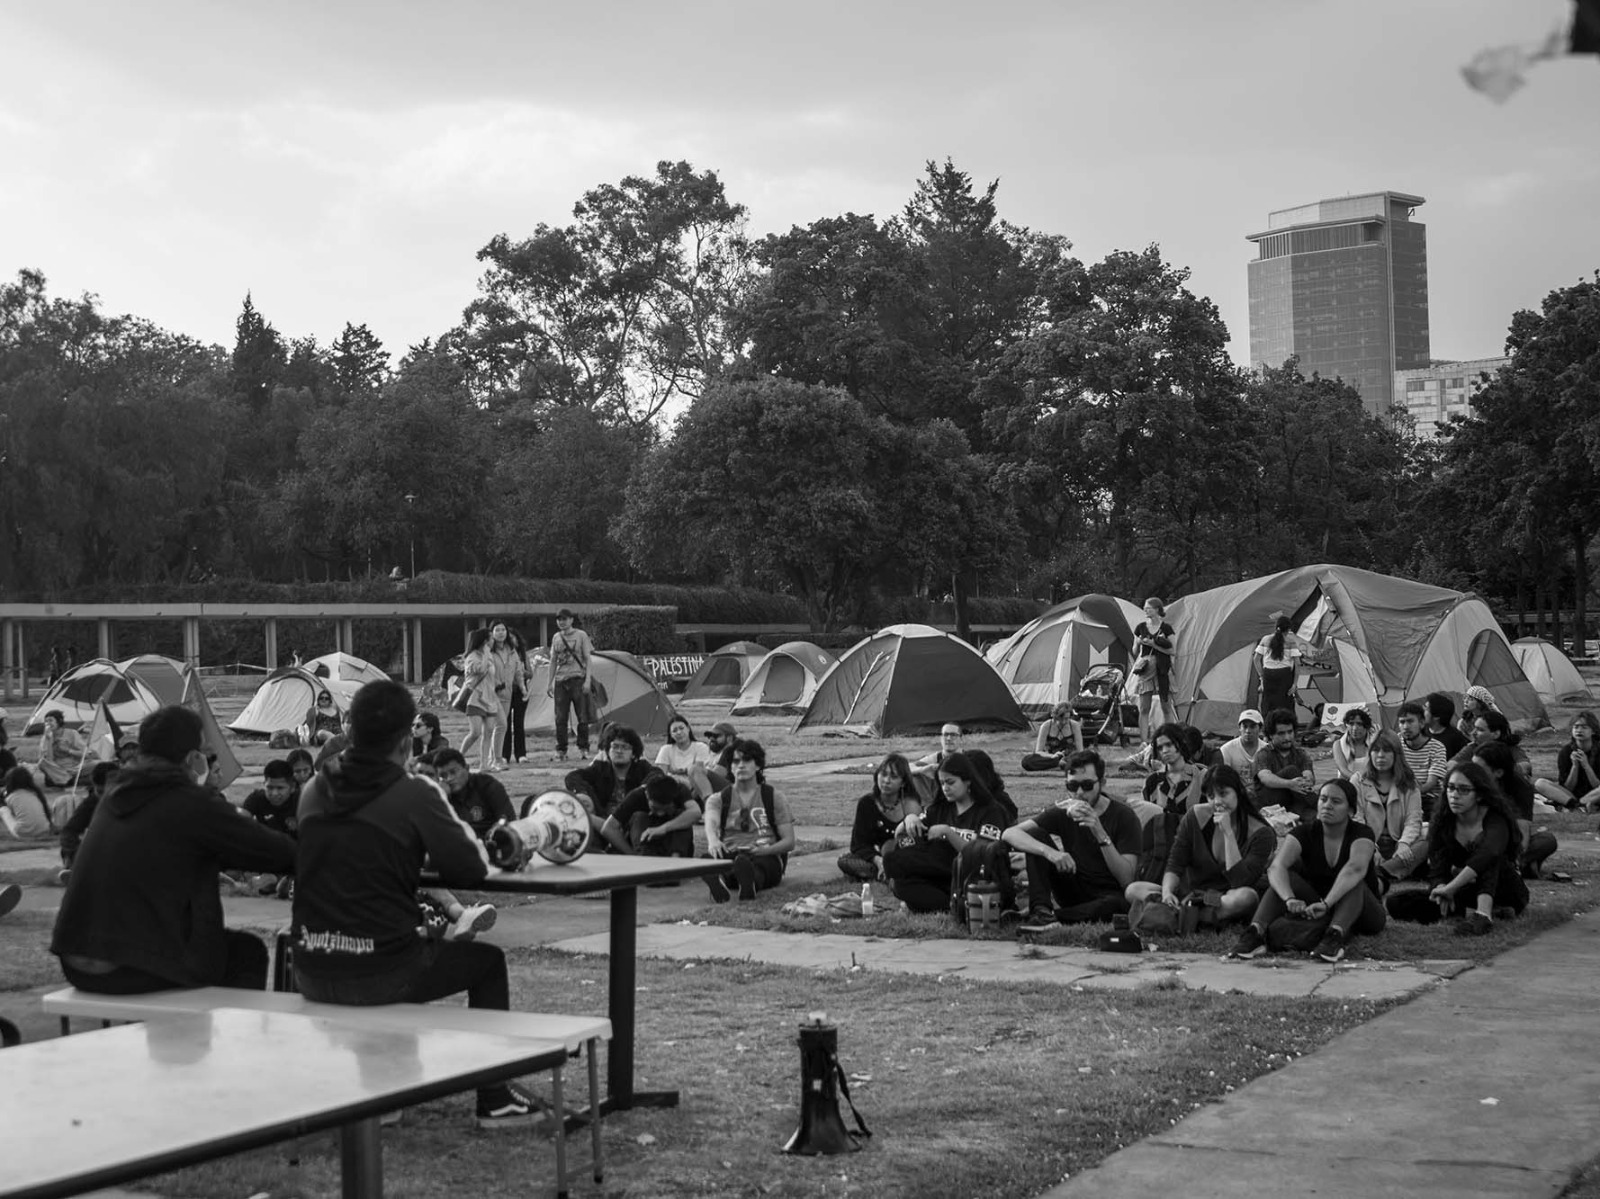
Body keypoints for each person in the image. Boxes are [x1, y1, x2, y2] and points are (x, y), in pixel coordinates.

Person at [290, 679, 539, 1128]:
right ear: (408, 740)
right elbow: (471, 866)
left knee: (410, 935)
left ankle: (384, 1088)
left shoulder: (314, 790)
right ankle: (495, 1098)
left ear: (349, 730)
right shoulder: (413, 793)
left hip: (309, 967)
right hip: (378, 973)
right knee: (484, 962)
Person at [50, 706, 296, 993]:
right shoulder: (188, 800)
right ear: (193, 757)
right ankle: (212, 1038)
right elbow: (277, 853)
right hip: (129, 964)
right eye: (205, 752)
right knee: (246, 952)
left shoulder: (116, 794)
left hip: (75, 960)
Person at [1228, 778, 1386, 964]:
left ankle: (1334, 937)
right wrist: (1290, 898)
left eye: (1336, 802)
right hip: (1318, 905)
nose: (1327, 805)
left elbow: (1355, 868)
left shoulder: (1362, 833)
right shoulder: (1304, 832)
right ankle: (1255, 933)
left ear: (1350, 810)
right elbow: (1277, 867)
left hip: (1363, 910)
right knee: (1286, 878)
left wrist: (1327, 903)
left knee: (1353, 881)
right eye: (1323, 799)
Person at [1003, 749, 1140, 932]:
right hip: (1073, 886)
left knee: (1115, 906)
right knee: (1036, 836)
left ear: (1103, 783)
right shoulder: (1064, 811)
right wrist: (1050, 852)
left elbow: (1127, 879)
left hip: (1109, 893)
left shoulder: (1124, 816)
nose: (1080, 793)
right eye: (1073, 786)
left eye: (1087, 785)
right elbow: (1009, 834)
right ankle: (1041, 909)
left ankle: (1049, 918)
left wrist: (1099, 832)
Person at [1385, 762, 1527, 935]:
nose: (1454, 795)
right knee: (1397, 902)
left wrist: (1452, 887)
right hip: (1465, 889)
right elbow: (1437, 867)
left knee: (1488, 856)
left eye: (1464, 790)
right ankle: (1475, 911)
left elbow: (1490, 852)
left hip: (1505, 888)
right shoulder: (1443, 821)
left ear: (1480, 795)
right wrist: (1442, 887)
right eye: (1451, 788)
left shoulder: (1495, 819)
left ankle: (1484, 914)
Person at [1125, 764, 1275, 927]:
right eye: (1211, 796)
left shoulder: (1261, 833)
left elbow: (1240, 881)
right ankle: (1193, 915)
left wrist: (1228, 834)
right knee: (1133, 890)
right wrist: (1167, 893)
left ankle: (1178, 915)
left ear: (1238, 792)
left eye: (1224, 794)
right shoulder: (1196, 815)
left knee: (1247, 897)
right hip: (1189, 892)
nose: (1217, 802)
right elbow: (1175, 862)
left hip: (1223, 897)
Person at [884, 750, 1011, 915]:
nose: (945, 788)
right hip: (939, 875)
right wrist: (909, 819)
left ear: (968, 782)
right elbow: (901, 837)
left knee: (901, 862)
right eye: (942, 783)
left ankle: (954, 903)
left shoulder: (991, 811)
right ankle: (951, 904)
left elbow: (984, 856)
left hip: (973, 873)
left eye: (950, 782)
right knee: (896, 866)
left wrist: (948, 833)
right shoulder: (941, 808)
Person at [702, 738, 795, 902]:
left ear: (758, 765)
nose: (741, 765)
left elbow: (789, 842)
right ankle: (721, 881)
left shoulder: (773, 797)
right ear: (730, 767)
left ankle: (748, 884)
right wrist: (713, 841)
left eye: (747, 760)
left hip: (765, 854)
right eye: (736, 761)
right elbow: (711, 821)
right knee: (723, 860)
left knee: (756, 866)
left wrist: (764, 851)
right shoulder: (719, 799)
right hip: (732, 852)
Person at [1350, 730, 1424, 885]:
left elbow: (1413, 819)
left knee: (1429, 835)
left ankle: (1382, 872)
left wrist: (1404, 843)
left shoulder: (1409, 782)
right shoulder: (1358, 780)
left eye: (1387, 751)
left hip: (1398, 843)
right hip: (1368, 843)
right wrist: (1371, 847)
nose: (1380, 756)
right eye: (1376, 750)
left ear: (1396, 754)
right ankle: (1394, 869)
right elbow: (1357, 819)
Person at [1475, 741, 1557, 880]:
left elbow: (1522, 831)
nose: (1473, 772)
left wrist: (1516, 855)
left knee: (1547, 840)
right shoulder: (1466, 781)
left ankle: (1511, 864)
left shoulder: (1520, 787)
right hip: (1475, 835)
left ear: (1498, 772)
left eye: (1479, 768)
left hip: (1506, 839)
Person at [563, 724, 659, 838]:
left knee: (640, 818)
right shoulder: (600, 768)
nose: (619, 751)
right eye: (615, 746)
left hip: (631, 821)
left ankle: (634, 854)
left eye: (625, 747)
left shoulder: (641, 767)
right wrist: (584, 793)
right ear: (608, 751)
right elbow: (572, 777)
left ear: (633, 753)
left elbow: (657, 774)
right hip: (602, 820)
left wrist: (642, 790)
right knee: (581, 815)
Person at [837, 753, 921, 882]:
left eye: (893, 777)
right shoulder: (866, 803)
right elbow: (858, 845)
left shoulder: (911, 804)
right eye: (883, 774)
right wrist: (878, 860)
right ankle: (885, 871)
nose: (886, 780)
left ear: (903, 782)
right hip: (875, 858)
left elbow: (919, 843)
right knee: (845, 860)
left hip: (904, 855)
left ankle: (891, 872)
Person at [599, 773, 703, 859]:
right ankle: (644, 859)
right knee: (639, 817)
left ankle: (675, 862)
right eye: (655, 808)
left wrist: (664, 828)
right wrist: (631, 854)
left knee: (683, 816)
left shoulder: (679, 789)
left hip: (672, 844)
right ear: (647, 795)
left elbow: (696, 813)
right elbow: (608, 828)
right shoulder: (636, 796)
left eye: (666, 809)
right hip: (643, 845)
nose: (660, 814)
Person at [432, 748, 515, 841]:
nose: (449, 778)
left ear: (467, 768)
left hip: (491, 844)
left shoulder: (487, 785)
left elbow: (508, 819)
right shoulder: (443, 795)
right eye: (443, 776)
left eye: (453, 772)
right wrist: (440, 799)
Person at [547, 608, 595, 764]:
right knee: (560, 718)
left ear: (571, 620)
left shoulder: (581, 635)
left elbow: (588, 659)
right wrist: (549, 682)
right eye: (559, 619)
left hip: (578, 679)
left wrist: (587, 680)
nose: (561, 622)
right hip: (561, 681)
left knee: (582, 716)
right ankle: (561, 750)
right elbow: (553, 661)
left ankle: (584, 749)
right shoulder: (556, 637)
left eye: (565, 619)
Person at [1253, 708, 1316, 821]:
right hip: (1270, 801)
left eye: (1290, 732)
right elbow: (1265, 778)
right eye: (1281, 733)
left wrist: (1306, 780)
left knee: (1314, 817)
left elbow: (1309, 775)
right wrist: (1290, 784)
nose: (1287, 737)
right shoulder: (1263, 754)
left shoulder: (1301, 753)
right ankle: (1320, 803)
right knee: (1291, 771)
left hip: (1294, 800)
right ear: (1271, 735)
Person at [58, 760, 118, 877]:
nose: (104, 797)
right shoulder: (93, 802)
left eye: (109, 791)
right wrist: (75, 852)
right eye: (100, 792)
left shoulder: (132, 799)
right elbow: (69, 831)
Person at [1534, 711, 1600, 812]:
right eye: (1576, 727)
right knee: (1540, 783)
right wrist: (1575, 766)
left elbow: (1596, 785)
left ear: (1593, 731)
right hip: (1570, 795)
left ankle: (1581, 804)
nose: (1579, 730)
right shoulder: (1566, 751)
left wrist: (1586, 766)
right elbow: (1567, 787)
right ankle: (1577, 806)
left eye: (1584, 727)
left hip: (1594, 795)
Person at [1131, 598, 1175, 745]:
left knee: (1166, 705)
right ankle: (1144, 741)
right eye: (1144, 608)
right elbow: (1135, 651)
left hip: (1162, 668)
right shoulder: (1140, 627)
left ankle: (1170, 738)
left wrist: (1154, 644)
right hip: (1145, 667)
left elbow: (1173, 651)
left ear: (1157, 609)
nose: (1145, 610)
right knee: (1144, 707)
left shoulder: (1166, 628)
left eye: (1148, 608)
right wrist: (1137, 643)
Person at [458, 627, 502, 773]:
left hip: (490, 698)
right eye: (490, 638)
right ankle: (458, 758)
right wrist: (486, 653)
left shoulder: (489, 655)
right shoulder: (472, 657)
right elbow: (481, 670)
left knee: (488, 731)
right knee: (475, 732)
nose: (493, 640)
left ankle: (484, 765)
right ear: (484, 641)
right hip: (475, 697)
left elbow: (491, 675)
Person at [485, 620, 523, 771]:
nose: (500, 632)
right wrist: (496, 683)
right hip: (492, 694)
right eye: (497, 630)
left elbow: (518, 670)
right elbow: (486, 670)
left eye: (503, 630)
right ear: (492, 633)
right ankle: (496, 760)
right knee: (501, 725)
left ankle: (491, 759)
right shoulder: (487, 649)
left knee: (499, 727)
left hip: (507, 694)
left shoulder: (511, 650)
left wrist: (523, 687)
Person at [1397, 701, 1448, 814]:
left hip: (1428, 798)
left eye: (1410, 721)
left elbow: (1430, 783)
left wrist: (1412, 796)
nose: (1406, 727)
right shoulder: (1395, 742)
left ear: (1421, 723)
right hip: (1400, 795)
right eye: (1402, 722)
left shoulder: (1436, 747)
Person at [1255, 614, 1303, 721]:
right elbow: (1298, 664)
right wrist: (1294, 684)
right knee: (1285, 704)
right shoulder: (1290, 641)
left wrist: (1262, 677)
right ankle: (1286, 727)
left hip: (1268, 675)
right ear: (1288, 629)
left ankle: (1268, 731)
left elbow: (1256, 659)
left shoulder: (1265, 639)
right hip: (1284, 675)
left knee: (1268, 704)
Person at [654, 715, 715, 797]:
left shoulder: (701, 747)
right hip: (672, 787)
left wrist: (680, 772)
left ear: (688, 729)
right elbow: (661, 774)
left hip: (695, 788)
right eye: (674, 731)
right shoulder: (666, 749)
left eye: (681, 728)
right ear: (671, 735)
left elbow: (699, 773)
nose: (679, 732)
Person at [1462, 710, 1532, 780]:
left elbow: (1525, 767)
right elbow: (1452, 765)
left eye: (1480, 730)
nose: (1473, 733)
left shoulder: (1511, 750)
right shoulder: (1472, 747)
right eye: (1474, 728)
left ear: (1496, 734)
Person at [497, 626, 531, 765]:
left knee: (519, 724)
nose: (511, 640)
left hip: (520, 691)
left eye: (513, 638)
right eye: (508, 639)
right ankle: (504, 755)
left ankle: (521, 754)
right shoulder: (501, 654)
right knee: (504, 724)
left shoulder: (522, 654)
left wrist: (522, 672)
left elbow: (530, 673)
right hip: (505, 692)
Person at [33, 709, 89, 789]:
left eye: (50, 720)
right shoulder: (46, 738)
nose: (48, 724)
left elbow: (85, 754)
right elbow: (47, 759)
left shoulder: (72, 733)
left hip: (74, 767)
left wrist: (68, 750)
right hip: (57, 768)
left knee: (97, 763)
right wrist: (48, 740)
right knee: (42, 763)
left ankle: (63, 780)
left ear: (59, 721)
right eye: (46, 721)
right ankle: (68, 780)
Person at [1021, 704, 1083, 772]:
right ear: (1055, 716)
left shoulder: (1074, 725)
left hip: (1069, 757)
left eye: (1067, 718)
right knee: (1026, 761)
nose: (1064, 721)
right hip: (1050, 757)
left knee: (1084, 758)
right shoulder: (1046, 726)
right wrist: (1052, 756)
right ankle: (1059, 764)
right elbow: (1039, 751)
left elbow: (1080, 751)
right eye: (1061, 718)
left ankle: (1062, 764)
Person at [1218, 710, 1265, 794]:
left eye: (1252, 726)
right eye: (1245, 726)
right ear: (1239, 728)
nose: (1248, 731)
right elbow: (1223, 779)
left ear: (1260, 728)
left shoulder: (1266, 749)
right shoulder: (1226, 749)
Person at [2, 766, 55, 839]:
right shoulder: (35, 794)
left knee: (3, 810)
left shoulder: (11, 797)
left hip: (23, 833)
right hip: (44, 830)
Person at [1331, 707, 1373, 780]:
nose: (1355, 728)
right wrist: (1358, 780)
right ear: (1346, 725)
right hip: (1347, 784)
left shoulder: (1375, 743)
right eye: (1351, 724)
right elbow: (1342, 769)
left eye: (1359, 724)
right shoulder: (1338, 744)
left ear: (1366, 726)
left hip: (1370, 782)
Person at [1424, 692, 1469, 760]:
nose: (1422, 712)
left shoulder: (1456, 738)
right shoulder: (1421, 732)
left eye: (1426, 709)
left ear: (1436, 716)